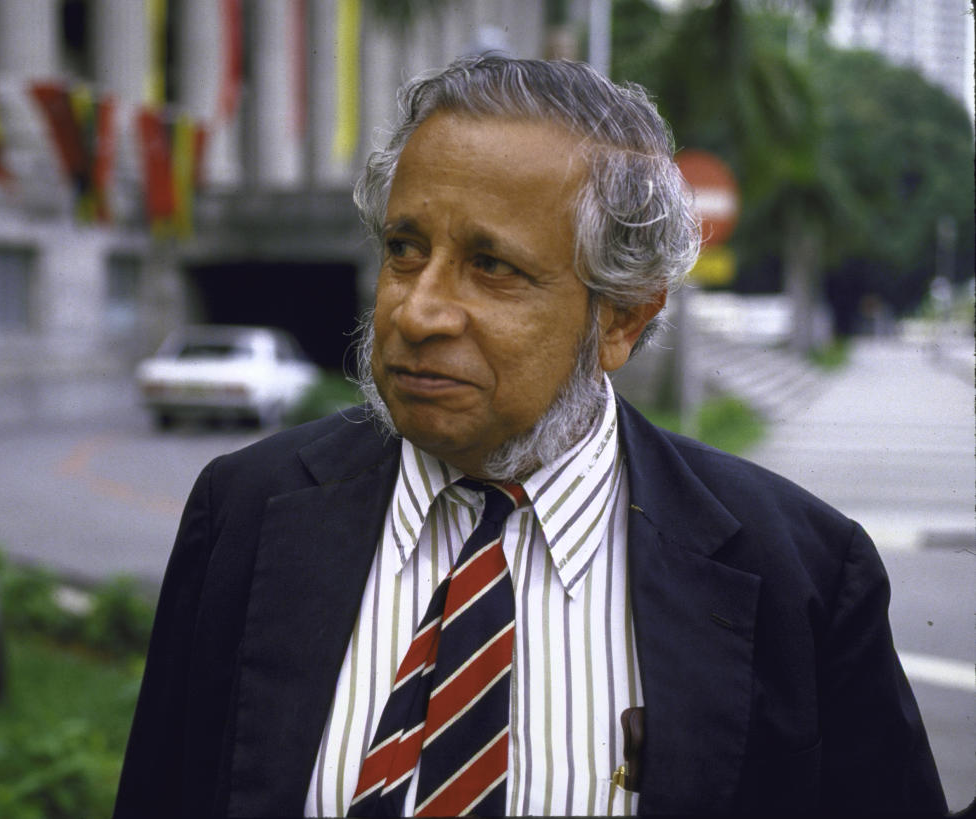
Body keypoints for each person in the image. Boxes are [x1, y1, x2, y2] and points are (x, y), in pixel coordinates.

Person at [113, 55, 946, 817]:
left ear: (621, 317)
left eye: (492, 267)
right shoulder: (247, 512)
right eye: (405, 249)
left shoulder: (798, 572)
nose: (418, 309)